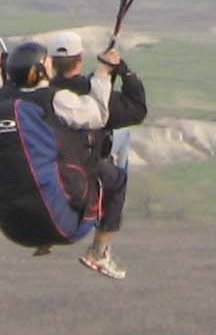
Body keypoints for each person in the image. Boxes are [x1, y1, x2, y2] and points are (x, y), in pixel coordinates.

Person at [0, 34, 100, 255]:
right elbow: (97, 114)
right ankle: (101, 249)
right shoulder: (56, 99)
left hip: (13, 228)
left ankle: (43, 237)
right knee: (107, 168)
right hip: (65, 226)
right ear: (41, 71)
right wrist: (104, 74)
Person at [44, 30, 147, 280]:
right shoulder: (94, 95)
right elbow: (138, 110)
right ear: (79, 60)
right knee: (120, 169)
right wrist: (121, 71)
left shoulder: (42, 94)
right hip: (83, 166)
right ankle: (99, 250)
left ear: (50, 62)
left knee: (118, 140)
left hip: (50, 167)